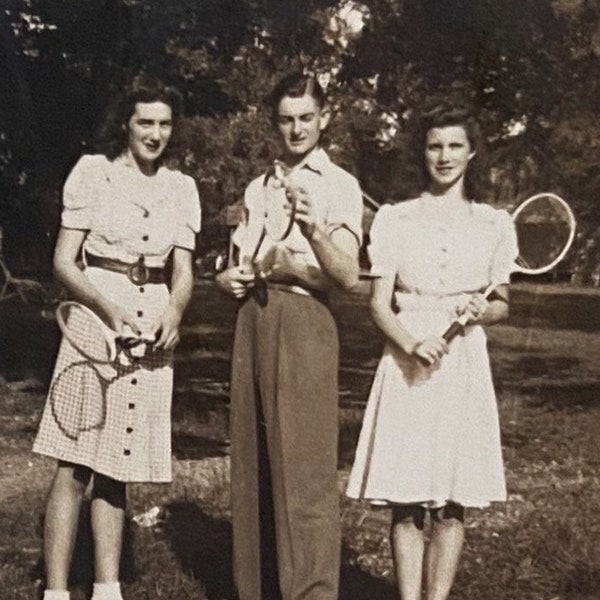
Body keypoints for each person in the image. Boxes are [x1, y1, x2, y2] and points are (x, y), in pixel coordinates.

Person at [33, 73, 201, 600]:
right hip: (95, 316)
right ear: (125, 124)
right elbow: (64, 261)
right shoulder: (93, 173)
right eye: (145, 122)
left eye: (164, 124)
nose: (155, 133)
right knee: (76, 459)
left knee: (116, 463)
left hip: (151, 325)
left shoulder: (181, 186)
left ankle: (108, 588)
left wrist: (173, 310)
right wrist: (110, 310)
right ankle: (56, 591)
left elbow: (185, 271)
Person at [346, 106, 518, 600]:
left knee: (451, 502)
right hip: (406, 363)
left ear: (471, 152)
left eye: (454, 146)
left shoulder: (493, 223)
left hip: (462, 364)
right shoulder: (396, 218)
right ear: (423, 153)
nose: (444, 157)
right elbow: (378, 304)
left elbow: (502, 305)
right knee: (406, 500)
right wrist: (411, 342)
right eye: (434, 146)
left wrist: (478, 311)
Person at [216, 72, 363, 600]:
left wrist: (312, 235)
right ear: (274, 122)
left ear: (324, 117)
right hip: (252, 318)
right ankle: (255, 590)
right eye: (286, 119)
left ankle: (312, 592)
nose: (296, 128)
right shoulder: (260, 185)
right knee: (252, 468)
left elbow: (346, 277)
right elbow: (238, 257)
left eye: (306, 117)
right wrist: (226, 276)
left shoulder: (339, 184)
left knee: (305, 472)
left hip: (305, 319)